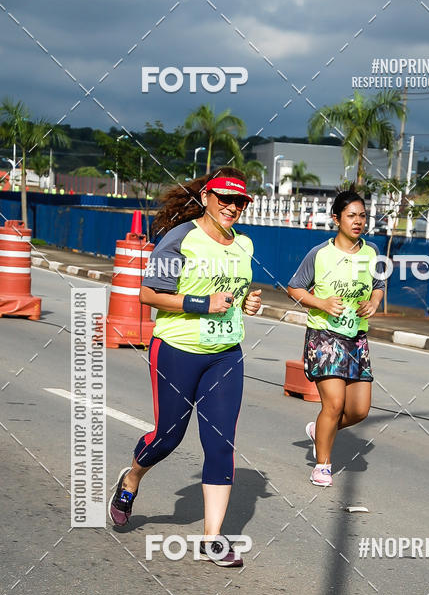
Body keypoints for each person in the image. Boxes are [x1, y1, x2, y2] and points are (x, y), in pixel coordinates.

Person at [109, 168, 262, 567]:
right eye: (224, 199)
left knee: (221, 442)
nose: (231, 207)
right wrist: (201, 303)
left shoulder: (243, 243)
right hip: (177, 349)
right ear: (207, 197)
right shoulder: (181, 238)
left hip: (225, 354)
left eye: (239, 202)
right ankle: (131, 479)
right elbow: (148, 294)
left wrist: (247, 303)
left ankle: (213, 539)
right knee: (168, 436)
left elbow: (234, 292)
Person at [287, 190, 384, 486]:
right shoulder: (320, 254)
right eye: (351, 215)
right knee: (334, 404)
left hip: (357, 339)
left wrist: (374, 301)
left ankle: (321, 430)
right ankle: (322, 465)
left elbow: (378, 284)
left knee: (359, 410)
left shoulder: (371, 253)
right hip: (324, 337)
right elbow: (295, 288)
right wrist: (322, 303)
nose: (358, 221)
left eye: (362, 216)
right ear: (336, 219)